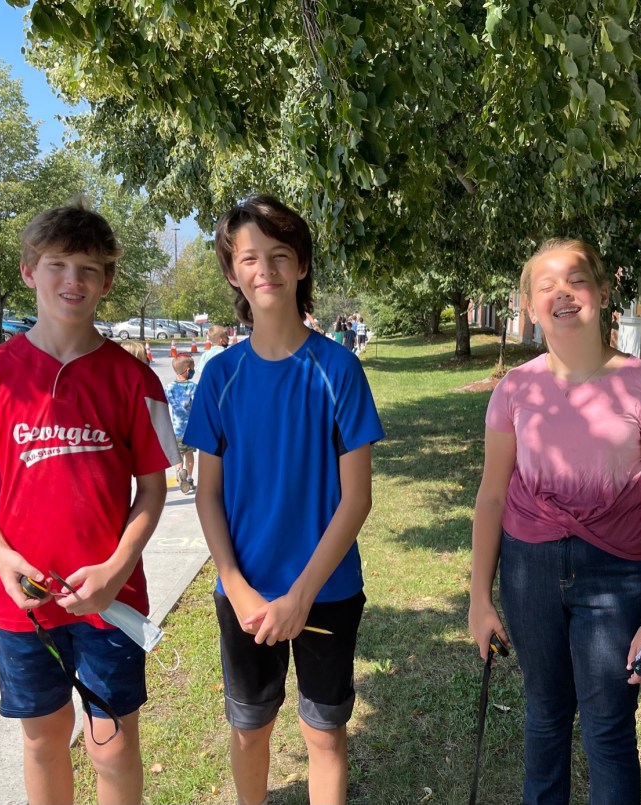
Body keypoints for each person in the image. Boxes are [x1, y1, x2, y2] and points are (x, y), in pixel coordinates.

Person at [0, 200, 178, 805]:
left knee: (113, 747)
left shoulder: (134, 380)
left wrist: (115, 569)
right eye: (57, 264)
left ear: (106, 282)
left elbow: (153, 489)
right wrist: (2, 557)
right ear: (29, 271)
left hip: (111, 598)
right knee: (44, 740)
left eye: (89, 268)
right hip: (24, 600)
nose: (72, 280)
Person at [469, 238, 641, 805]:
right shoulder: (515, 389)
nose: (562, 294)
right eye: (546, 286)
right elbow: (491, 497)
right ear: (529, 305)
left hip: (617, 575)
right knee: (544, 715)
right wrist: (479, 599)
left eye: (577, 281)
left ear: (605, 292)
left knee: (608, 728)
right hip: (528, 571)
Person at [184, 195, 384, 805]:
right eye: (249, 258)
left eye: (279, 254)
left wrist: (300, 595)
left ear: (301, 265)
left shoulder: (339, 370)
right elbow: (207, 495)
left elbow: (357, 498)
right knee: (250, 730)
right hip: (244, 594)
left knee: (324, 733)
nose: (265, 269)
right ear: (232, 272)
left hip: (327, 590)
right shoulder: (220, 376)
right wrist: (236, 585)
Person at [165, 354, 197, 494]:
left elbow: (164, 405)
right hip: (190, 430)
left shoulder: (169, 387)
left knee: (178, 455)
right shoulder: (193, 387)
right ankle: (189, 478)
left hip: (176, 430)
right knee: (189, 454)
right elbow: (197, 407)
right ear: (188, 370)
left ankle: (179, 472)